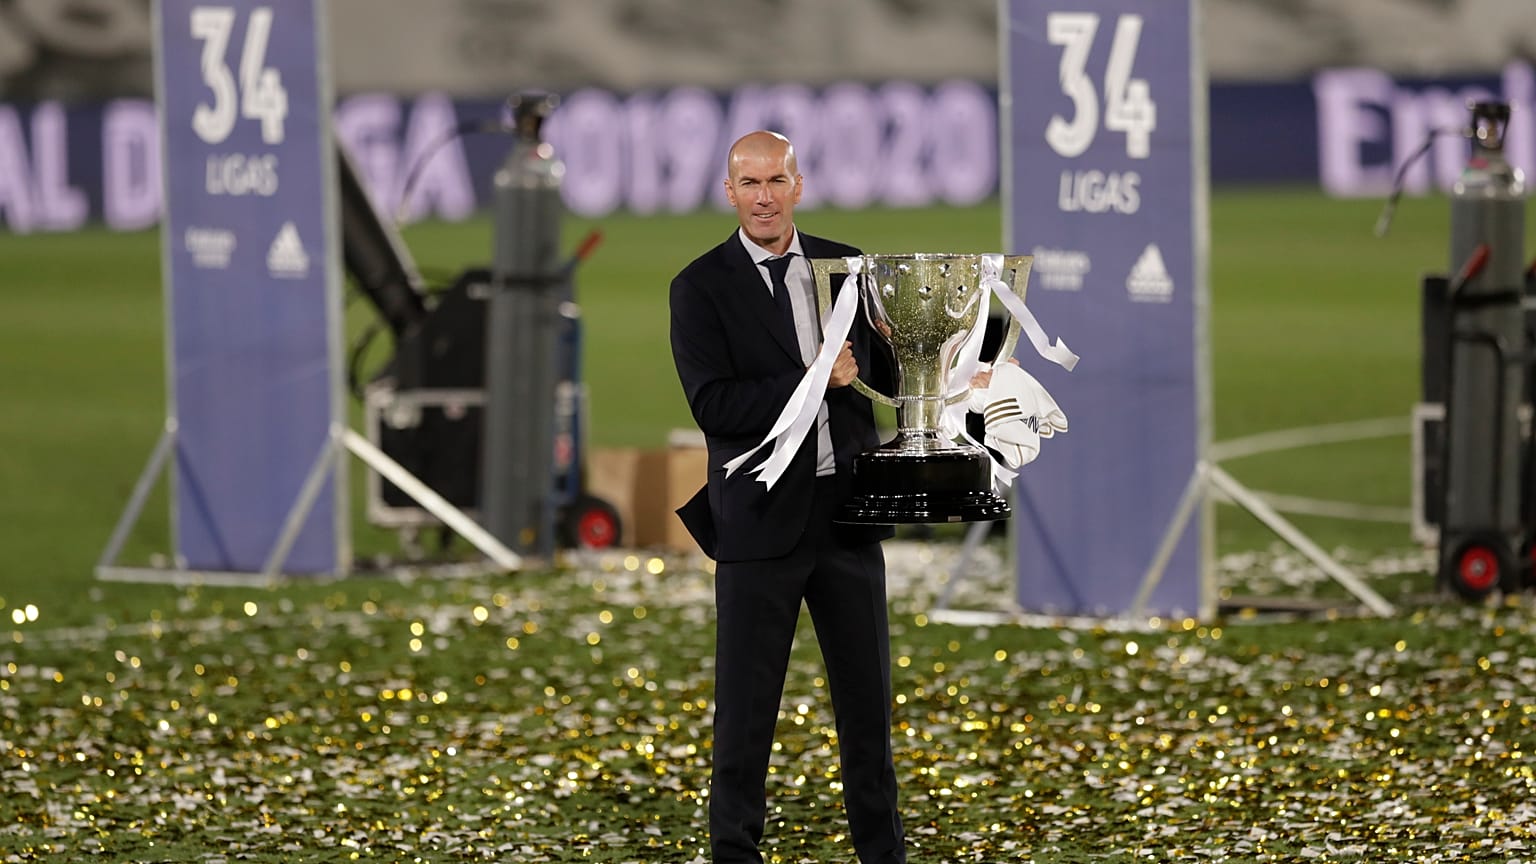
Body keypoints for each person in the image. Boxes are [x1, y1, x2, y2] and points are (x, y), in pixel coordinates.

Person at [669, 130, 906, 864]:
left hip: (848, 520)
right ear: (729, 192)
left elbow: (890, 386)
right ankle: (734, 852)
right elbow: (716, 408)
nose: (765, 196)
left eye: (777, 181)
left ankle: (883, 853)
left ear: (798, 185)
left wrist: (925, 351)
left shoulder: (849, 266)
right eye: (750, 183)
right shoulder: (699, 287)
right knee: (744, 716)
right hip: (757, 526)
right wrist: (814, 377)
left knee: (868, 711)